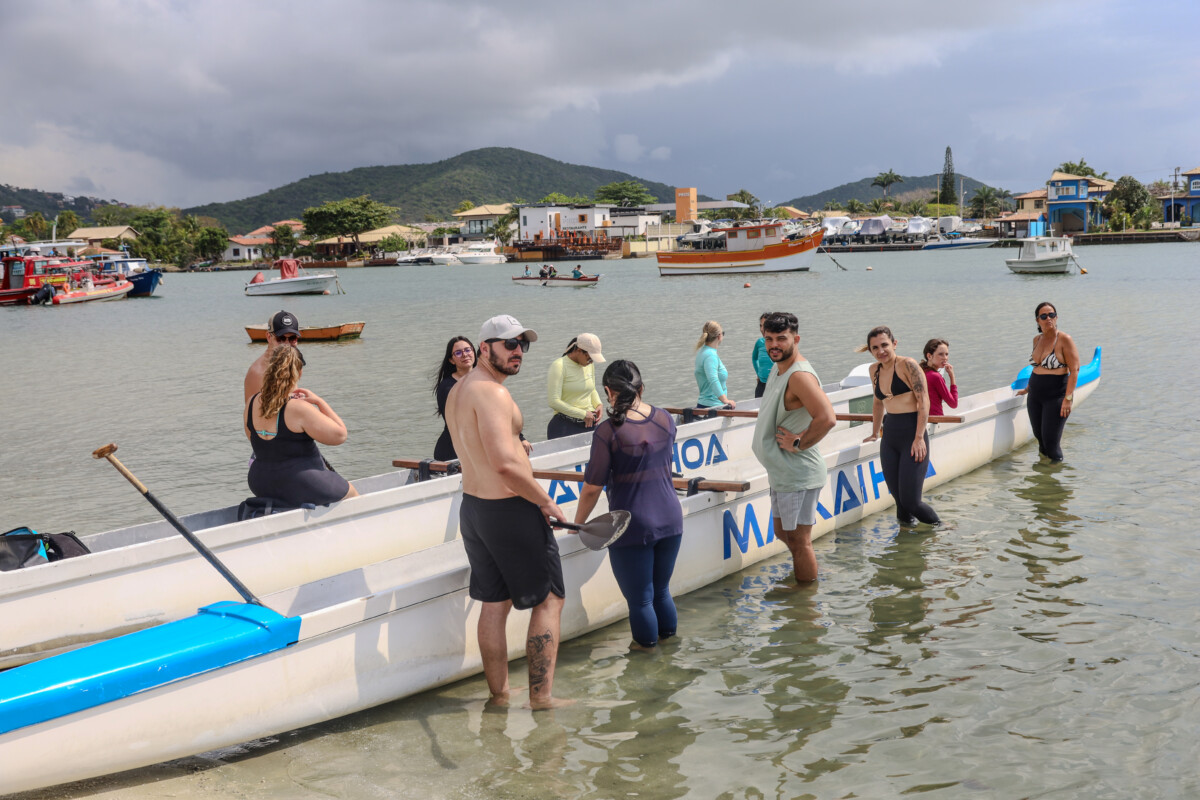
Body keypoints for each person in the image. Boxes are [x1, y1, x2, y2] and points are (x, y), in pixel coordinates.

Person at [445, 314, 572, 709]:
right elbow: (504, 463)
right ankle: (541, 699)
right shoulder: (493, 394)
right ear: (485, 349)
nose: (518, 352)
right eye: (509, 344)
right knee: (549, 599)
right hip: (509, 509)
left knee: (494, 602)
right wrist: (544, 500)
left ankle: (500, 696)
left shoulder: (458, 391)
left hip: (475, 510)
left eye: (523, 345)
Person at [575, 360, 684, 647]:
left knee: (640, 600)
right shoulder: (664, 418)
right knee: (661, 591)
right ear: (641, 388)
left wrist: (578, 523)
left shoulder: (608, 431)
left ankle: (646, 664)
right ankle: (670, 649)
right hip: (671, 518)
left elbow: (592, 488)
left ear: (609, 392)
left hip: (632, 525)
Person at [750, 313, 836, 582]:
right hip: (781, 471)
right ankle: (807, 568)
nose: (774, 345)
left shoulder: (799, 376)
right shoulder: (779, 367)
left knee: (800, 540)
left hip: (798, 472)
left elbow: (827, 418)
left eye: (781, 339)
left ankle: (806, 602)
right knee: (782, 533)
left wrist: (799, 443)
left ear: (795, 339)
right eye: (769, 339)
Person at [244, 345, 358, 507]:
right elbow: (340, 436)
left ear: (268, 370)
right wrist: (318, 401)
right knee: (352, 492)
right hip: (301, 482)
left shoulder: (252, 403)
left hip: (260, 482)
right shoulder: (298, 408)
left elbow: (252, 437)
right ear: (299, 372)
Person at [861, 326, 939, 525]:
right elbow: (878, 402)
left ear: (894, 343)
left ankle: (942, 530)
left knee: (911, 502)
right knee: (900, 502)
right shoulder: (874, 370)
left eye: (885, 345)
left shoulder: (908, 365)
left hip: (912, 433)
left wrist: (919, 437)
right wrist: (874, 432)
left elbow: (924, 402)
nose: (881, 351)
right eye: (875, 348)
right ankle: (906, 546)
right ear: (870, 350)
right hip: (890, 435)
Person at [1016, 302, 1080, 461]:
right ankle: (1043, 476)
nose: (1048, 318)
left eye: (1051, 315)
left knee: (1051, 443)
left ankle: (1056, 479)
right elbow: (1036, 368)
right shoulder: (1036, 339)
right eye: (1043, 316)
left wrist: (1068, 399)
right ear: (1038, 320)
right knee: (1040, 439)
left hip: (1056, 398)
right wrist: (1028, 388)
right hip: (1035, 397)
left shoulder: (1064, 339)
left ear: (1056, 317)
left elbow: (1075, 370)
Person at [546, 333, 605, 440]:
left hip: (589, 423)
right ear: (578, 350)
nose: (591, 362)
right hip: (565, 426)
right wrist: (582, 414)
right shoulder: (559, 365)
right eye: (590, 358)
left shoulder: (589, 365)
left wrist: (598, 404)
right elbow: (553, 401)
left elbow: (592, 389)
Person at [433, 336, 476, 461]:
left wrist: (519, 438)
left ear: (473, 352)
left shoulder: (485, 380)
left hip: (476, 448)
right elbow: (459, 423)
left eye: (468, 350)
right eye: (458, 353)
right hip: (453, 451)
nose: (465, 355)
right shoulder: (447, 387)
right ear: (452, 360)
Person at [245, 310, 301, 404]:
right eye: (280, 339)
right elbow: (253, 415)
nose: (287, 345)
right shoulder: (258, 373)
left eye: (292, 339)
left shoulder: (294, 363)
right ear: (268, 337)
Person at [694, 320, 735, 409]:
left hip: (704, 405)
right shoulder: (710, 355)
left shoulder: (702, 352)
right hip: (713, 407)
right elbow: (713, 379)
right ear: (719, 336)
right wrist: (725, 400)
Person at [921, 338, 958, 417]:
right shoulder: (935, 377)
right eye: (941, 354)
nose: (945, 358)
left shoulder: (921, 372)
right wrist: (952, 377)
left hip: (922, 420)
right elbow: (953, 404)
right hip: (936, 421)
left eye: (946, 354)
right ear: (929, 356)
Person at [750, 312, 774, 399]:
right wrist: (758, 374)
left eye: (765, 325)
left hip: (775, 384)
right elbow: (754, 358)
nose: (762, 329)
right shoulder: (759, 342)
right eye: (760, 326)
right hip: (762, 384)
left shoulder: (777, 344)